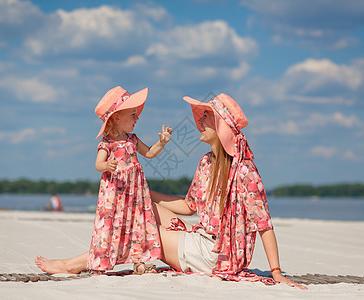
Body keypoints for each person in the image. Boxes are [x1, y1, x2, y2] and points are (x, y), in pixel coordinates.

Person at [35, 92, 306, 289]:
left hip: (218, 254)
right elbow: (189, 207)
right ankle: (91, 258)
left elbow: (264, 224)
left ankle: (72, 265)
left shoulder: (244, 171)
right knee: (143, 212)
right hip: (201, 240)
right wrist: (145, 196)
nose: (199, 121)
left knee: (141, 232)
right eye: (200, 116)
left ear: (221, 127)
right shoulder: (206, 163)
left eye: (206, 117)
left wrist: (276, 271)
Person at [37, 86, 173, 275]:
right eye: (133, 114)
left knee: (138, 224)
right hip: (115, 194)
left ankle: (141, 260)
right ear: (116, 117)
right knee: (109, 226)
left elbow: (149, 153)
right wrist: (106, 166)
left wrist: (162, 142)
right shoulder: (107, 143)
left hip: (134, 193)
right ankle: (100, 263)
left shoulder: (132, 139)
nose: (137, 118)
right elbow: (98, 163)